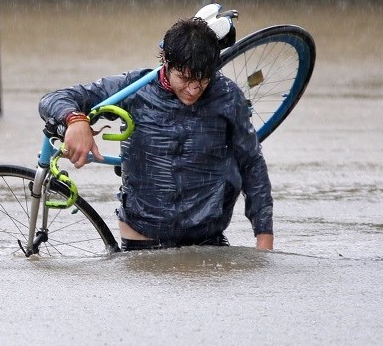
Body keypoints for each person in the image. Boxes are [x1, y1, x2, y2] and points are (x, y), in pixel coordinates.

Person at [39, 16, 274, 251]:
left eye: (202, 79)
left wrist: (264, 237)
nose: (193, 90)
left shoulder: (228, 97)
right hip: (142, 235)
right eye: (184, 78)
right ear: (166, 62)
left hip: (206, 238)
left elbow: (252, 164)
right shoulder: (134, 88)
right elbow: (53, 99)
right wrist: (75, 120)